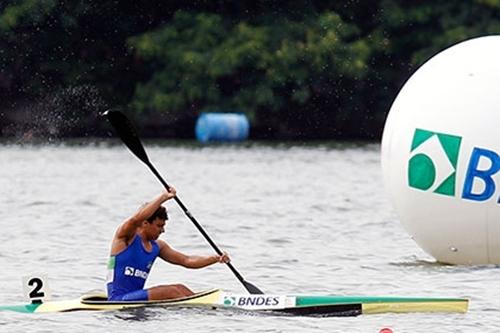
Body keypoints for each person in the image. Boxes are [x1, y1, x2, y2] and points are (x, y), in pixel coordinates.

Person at [106, 186, 230, 301]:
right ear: (145, 223)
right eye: (159, 226)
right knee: (172, 292)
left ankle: (207, 305)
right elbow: (136, 219)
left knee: (181, 288)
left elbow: (187, 260)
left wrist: (215, 258)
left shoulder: (158, 246)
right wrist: (163, 197)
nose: (163, 230)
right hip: (118, 299)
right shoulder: (125, 237)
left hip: (135, 298)